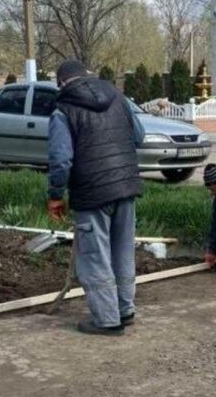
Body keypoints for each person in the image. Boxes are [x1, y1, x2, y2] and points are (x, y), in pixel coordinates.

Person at [47, 59, 145, 336]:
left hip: (92, 193)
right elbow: (139, 136)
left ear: (61, 83)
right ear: (86, 75)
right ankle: (125, 310)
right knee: (123, 251)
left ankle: (106, 320)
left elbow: (61, 161)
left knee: (95, 257)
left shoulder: (62, 109)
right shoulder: (118, 98)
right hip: (126, 188)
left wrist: (55, 195)